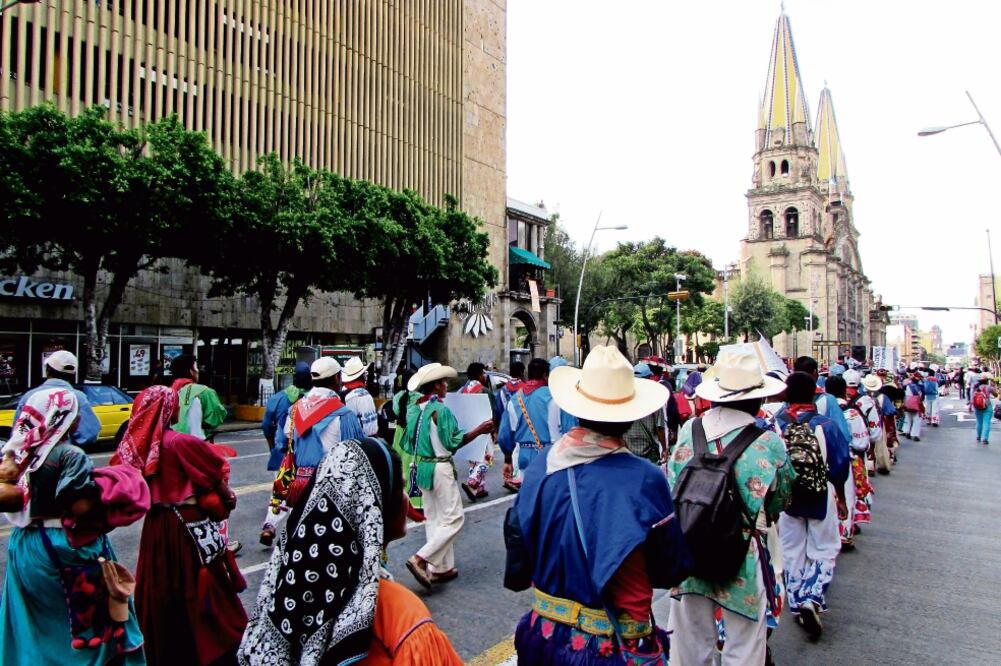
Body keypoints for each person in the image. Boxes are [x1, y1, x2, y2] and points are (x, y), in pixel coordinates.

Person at [504, 346, 692, 664]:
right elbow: (668, 569)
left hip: (545, 636)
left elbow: (519, 540)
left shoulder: (540, 468)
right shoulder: (644, 478)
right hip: (612, 645)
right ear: (631, 415)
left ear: (576, 408)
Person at [238, 437, 462, 665]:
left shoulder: (288, 592)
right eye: (400, 487)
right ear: (373, 509)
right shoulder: (401, 615)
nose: (406, 497)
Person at [0, 387, 145, 664]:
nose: (81, 419)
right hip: (64, 543)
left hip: (25, 544)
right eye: (78, 412)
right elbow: (78, 505)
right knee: (87, 626)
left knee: (35, 626)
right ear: (63, 417)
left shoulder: (21, 455)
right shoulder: (69, 455)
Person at [667, 349, 793, 666]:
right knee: (745, 646)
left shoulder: (688, 431)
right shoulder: (768, 442)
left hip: (690, 547)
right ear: (758, 401)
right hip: (742, 555)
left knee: (690, 646)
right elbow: (781, 499)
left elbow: (673, 483)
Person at [116, 385, 247, 665]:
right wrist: (227, 496)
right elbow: (213, 473)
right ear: (168, 409)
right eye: (174, 404)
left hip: (156, 524)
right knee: (197, 586)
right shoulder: (179, 443)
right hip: (186, 523)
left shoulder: (138, 446)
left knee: (160, 586)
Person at [774, 371, 851, 640]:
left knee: (791, 548)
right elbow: (841, 465)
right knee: (825, 547)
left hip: (787, 498)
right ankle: (813, 597)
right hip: (821, 494)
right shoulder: (826, 425)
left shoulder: (776, 425)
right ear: (813, 394)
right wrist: (840, 497)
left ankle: (795, 601)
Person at [404, 363, 493, 587]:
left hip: (422, 466)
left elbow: (407, 441)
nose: (446, 385)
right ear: (435, 386)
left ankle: (441, 567)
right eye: (443, 382)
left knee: (434, 518)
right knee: (454, 518)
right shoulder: (440, 411)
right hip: (440, 467)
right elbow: (454, 442)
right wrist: (479, 430)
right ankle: (421, 559)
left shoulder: (414, 410)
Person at [276, 357, 365, 510]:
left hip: (299, 486)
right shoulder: (344, 415)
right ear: (337, 378)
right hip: (332, 488)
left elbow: (282, 443)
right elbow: (357, 454)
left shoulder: (294, 410)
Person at [259, 361, 311, 547]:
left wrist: (273, 447)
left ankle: (269, 525)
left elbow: (266, 426)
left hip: (282, 453)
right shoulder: (315, 400)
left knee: (280, 491)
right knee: (305, 497)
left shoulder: (278, 398)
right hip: (306, 456)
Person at [498, 357, 572, 480]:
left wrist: (507, 459)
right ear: (545, 375)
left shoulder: (515, 399)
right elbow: (570, 430)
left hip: (524, 459)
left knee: (529, 495)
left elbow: (504, 435)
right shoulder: (555, 397)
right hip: (551, 459)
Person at [13, 350, 100, 448]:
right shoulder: (78, 397)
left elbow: (17, 433)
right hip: (64, 458)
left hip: (31, 459)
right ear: (73, 374)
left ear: (47, 370)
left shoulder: (29, 396)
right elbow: (89, 434)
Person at [825, 376, 872, 550]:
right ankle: (844, 533)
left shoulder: (820, 408)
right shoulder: (851, 413)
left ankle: (828, 533)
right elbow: (862, 442)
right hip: (846, 458)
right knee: (846, 494)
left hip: (824, 459)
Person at [793, 356, 852, 444]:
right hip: (822, 452)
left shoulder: (787, 399)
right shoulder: (828, 399)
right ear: (815, 372)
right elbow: (842, 434)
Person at [170, 354, 227, 440]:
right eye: (196, 368)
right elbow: (215, 418)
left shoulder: (168, 392)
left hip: (171, 444)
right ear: (191, 371)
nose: (198, 371)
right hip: (196, 443)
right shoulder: (204, 391)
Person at [459, 362, 494, 500]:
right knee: (487, 458)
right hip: (483, 429)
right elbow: (493, 412)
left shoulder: (462, 390)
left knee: (474, 459)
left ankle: (480, 488)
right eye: (484, 373)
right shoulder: (484, 391)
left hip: (468, 430)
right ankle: (472, 482)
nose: (485, 376)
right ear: (479, 375)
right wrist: (494, 431)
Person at [623, 363, 669, 464]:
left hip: (626, 451)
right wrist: (665, 449)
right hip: (648, 453)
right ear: (649, 378)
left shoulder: (624, 398)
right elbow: (659, 427)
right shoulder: (655, 399)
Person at [341, 356, 380, 437]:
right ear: (361, 376)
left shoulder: (345, 393)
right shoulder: (364, 394)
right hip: (363, 439)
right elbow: (370, 426)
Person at [973, 372, 998, 445]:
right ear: (987, 380)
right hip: (987, 406)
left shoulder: (975, 387)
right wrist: (993, 386)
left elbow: (972, 396)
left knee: (979, 422)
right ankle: (985, 439)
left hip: (977, 406)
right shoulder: (989, 387)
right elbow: (996, 395)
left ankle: (978, 436)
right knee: (986, 422)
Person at [902, 373, 924, 442]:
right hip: (917, 404)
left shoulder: (907, 386)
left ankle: (906, 431)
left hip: (907, 403)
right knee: (917, 419)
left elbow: (904, 394)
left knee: (908, 417)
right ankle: (914, 434)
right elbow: (923, 396)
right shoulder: (921, 386)